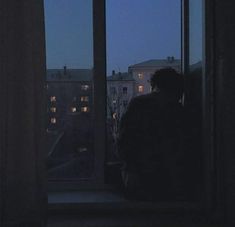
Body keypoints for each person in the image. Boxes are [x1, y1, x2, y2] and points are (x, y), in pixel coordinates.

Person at [117, 67, 184, 201]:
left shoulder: (138, 104)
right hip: (170, 179)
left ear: (154, 85)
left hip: (140, 175)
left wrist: (130, 169)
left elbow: (124, 139)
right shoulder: (178, 111)